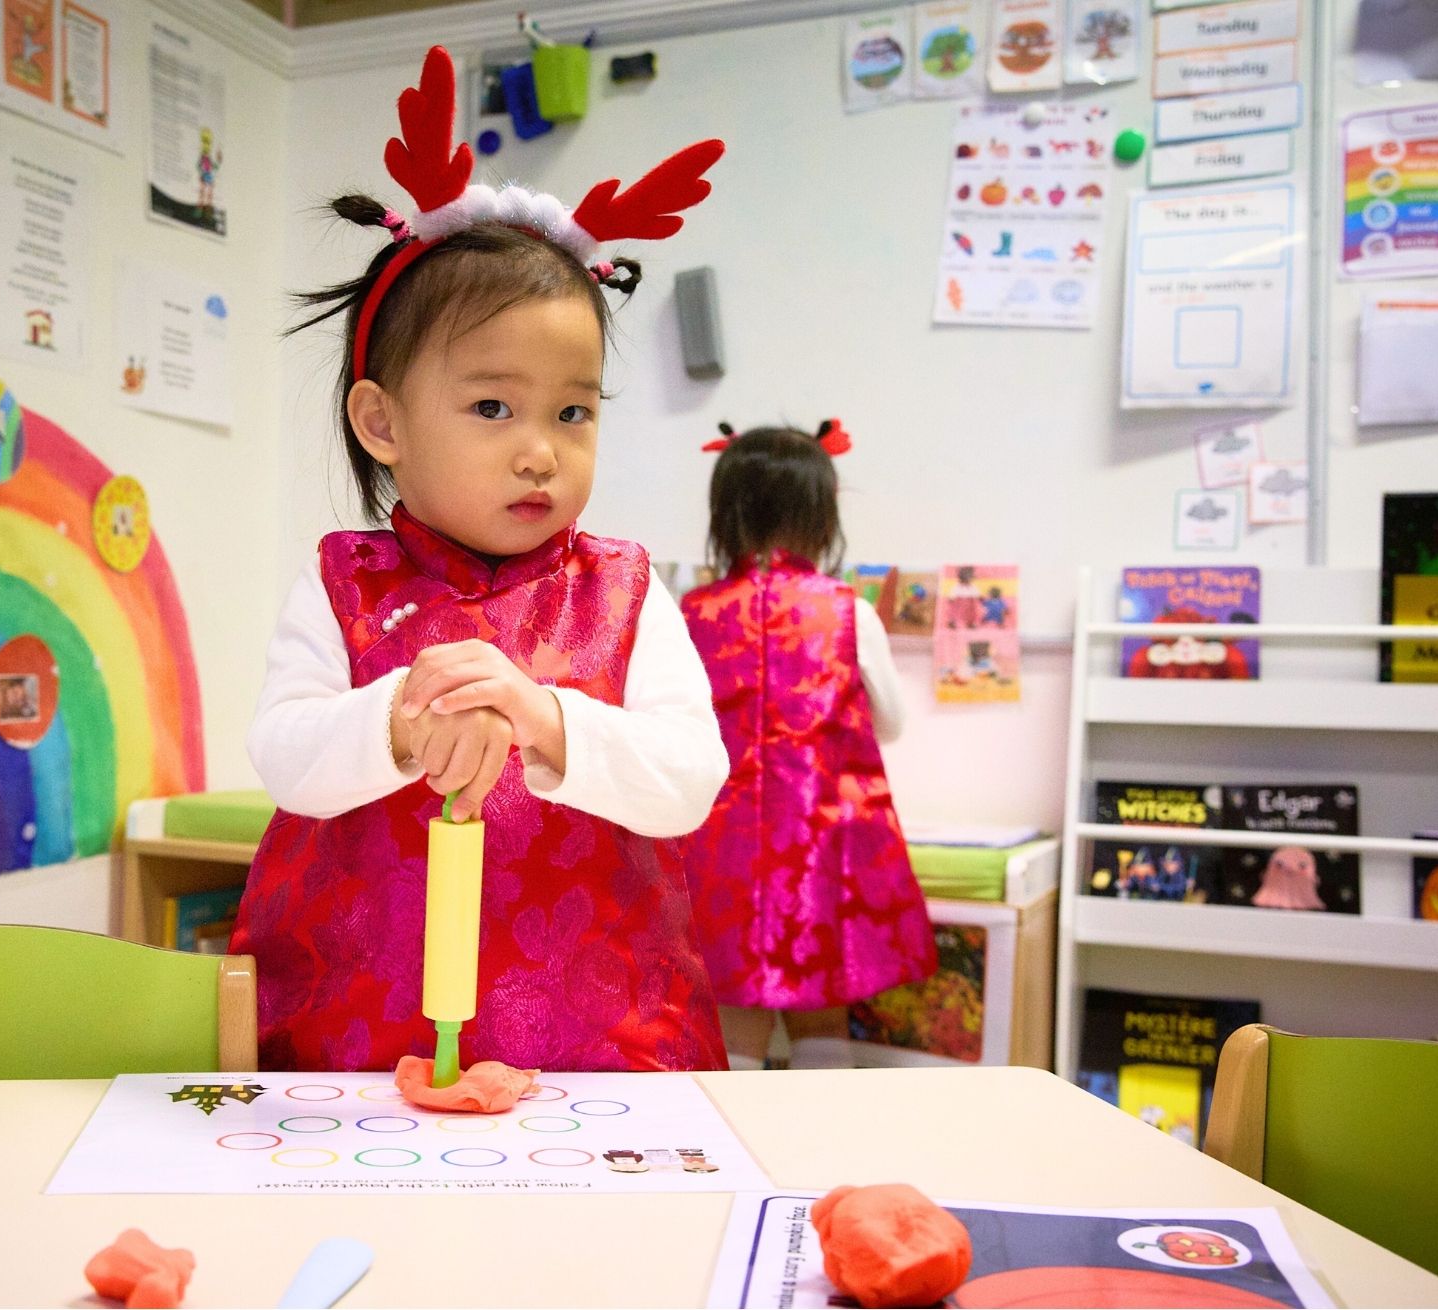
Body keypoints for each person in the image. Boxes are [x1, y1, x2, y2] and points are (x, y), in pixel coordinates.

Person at [231, 47, 731, 1075]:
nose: (539, 446)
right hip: (356, 1030)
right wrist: (397, 722)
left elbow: (689, 776)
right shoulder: (343, 580)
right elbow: (282, 750)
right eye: (492, 405)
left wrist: (541, 716)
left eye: (573, 410)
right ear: (382, 421)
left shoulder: (626, 590)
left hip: (597, 1034)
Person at [679, 423, 937, 1071]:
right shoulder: (848, 611)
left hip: (717, 851)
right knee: (822, 1003)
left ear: (726, 517)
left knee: (732, 1005)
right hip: (822, 849)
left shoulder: (691, 613)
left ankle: (732, 1157)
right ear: (823, 518)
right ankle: (823, 1151)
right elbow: (894, 723)